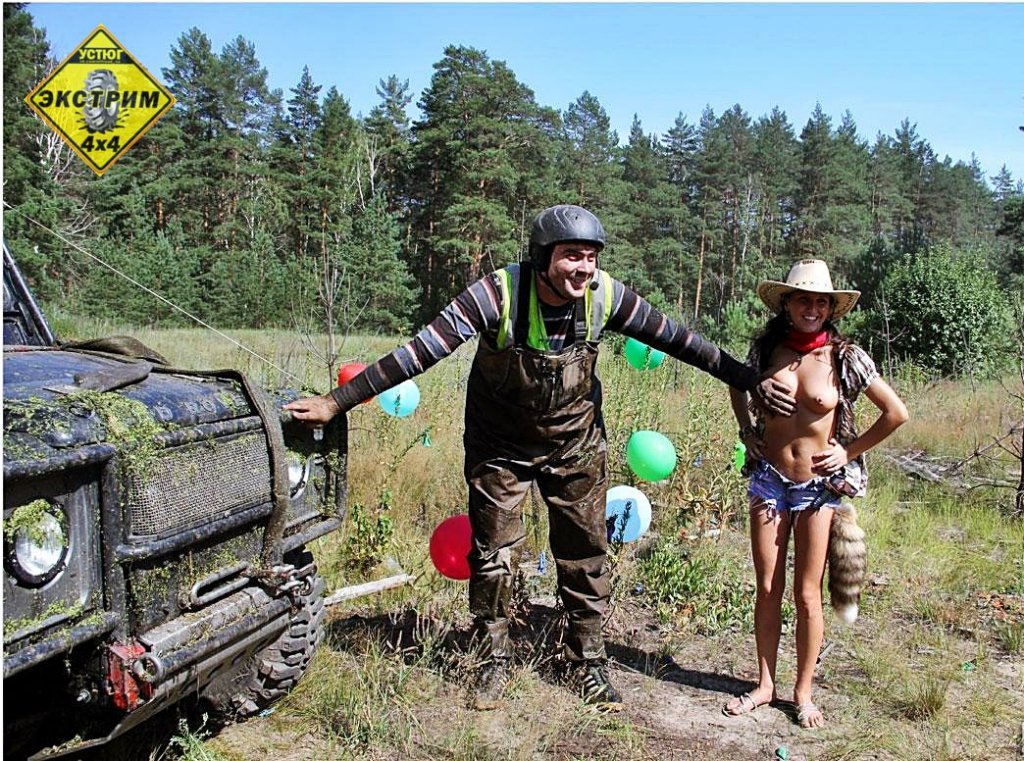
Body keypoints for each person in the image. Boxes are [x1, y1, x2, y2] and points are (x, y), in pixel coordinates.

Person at [285, 204, 796, 711]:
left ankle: (585, 661)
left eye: (591, 257)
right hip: (499, 448)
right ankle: (491, 658)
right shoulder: (496, 294)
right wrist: (336, 402)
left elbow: (681, 341)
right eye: (572, 255)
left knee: (586, 553)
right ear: (542, 255)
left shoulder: (605, 296)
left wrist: (750, 379)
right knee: (493, 556)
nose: (584, 268)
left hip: (576, 445)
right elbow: (420, 352)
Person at [723, 259, 908, 728]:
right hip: (768, 480)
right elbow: (736, 383)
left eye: (821, 302)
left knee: (807, 594)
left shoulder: (846, 357)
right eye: (803, 299)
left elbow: (895, 412)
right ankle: (765, 685)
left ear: (831, 308)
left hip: (817, 490)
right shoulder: (766, 349)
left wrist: (847, 451)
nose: (812, 308)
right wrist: (747, 431)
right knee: (768, 587)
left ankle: (803, 693)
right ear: (786, 304)